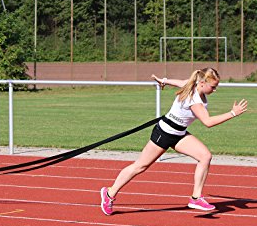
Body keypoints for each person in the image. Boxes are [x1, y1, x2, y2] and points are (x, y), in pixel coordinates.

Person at [100, 67, 248, 215]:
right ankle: (109, 193)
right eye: (213, 87)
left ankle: (196, 198)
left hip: (179, 134)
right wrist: (233, 113)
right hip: (164, 133)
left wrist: (164, 80)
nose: (215, 90)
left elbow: (180, 82)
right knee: (140, 166)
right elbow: (207, 122)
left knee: (205, 156)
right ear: (202, 82)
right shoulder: (194, 98)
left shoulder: (192, 84)